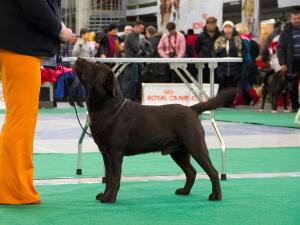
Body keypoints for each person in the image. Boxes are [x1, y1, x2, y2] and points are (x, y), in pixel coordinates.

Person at [0, 0, 76, 204]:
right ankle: (15, 191)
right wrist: (60, 30)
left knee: (17, 118)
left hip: (13, 44)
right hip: (20, 47)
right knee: (21, 120)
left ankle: (10, 187)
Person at [214, 20, 243, 107]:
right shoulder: (219, 40)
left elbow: (241, 54)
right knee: (222, 87)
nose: (227, 29)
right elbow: (215, 53)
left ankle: (231, 103)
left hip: (234, 68)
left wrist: (239, 67)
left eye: (229, 27)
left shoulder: (238, 39)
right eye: (225, 27)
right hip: (222, 68)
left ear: (233, 28)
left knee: (232, 87)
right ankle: (221, 103)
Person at [277, 7, 300, 112]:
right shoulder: (285, 31)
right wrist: (282, 63)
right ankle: (295, 107)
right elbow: (280, 48)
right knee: (292, 86)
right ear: (291, 19)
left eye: (298, 18)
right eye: (294, 18)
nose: (296, 20)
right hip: (292, 62)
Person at [118, 21, 145, 101]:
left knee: (133, 80)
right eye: (141, 28)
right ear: (136, 27)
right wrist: (141, 49)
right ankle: (128, 98)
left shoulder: (136, 36)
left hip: (133, 61)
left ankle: (129, 98)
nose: (142, 30)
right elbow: (137, 49)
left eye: (143, 29)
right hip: (131, 62)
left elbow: (139, 49)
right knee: (132, 80)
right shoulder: (131, 36)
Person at [234, 23, 260, 106]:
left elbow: (241, 51)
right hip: (250, 61)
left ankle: (239, 98)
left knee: (241, 80)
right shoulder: (248, 39)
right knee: (244, 80)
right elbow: (255, 53)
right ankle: (253, 96)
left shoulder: (241, 39)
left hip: (244, 61)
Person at [70, 28, 97, 107]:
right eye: (87, 34)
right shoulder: (79, 43)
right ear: (82, 35)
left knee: (82, 84)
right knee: (76, 83)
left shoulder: (87, 43)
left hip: (86, 66)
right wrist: (79, 47)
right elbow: (74, 54)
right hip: (79, 66)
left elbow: (91, 55)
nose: (89, 36)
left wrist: (93, 50)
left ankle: (80, 101)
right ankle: (71, 98)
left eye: (89, 34)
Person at [195, 17, 221, 83]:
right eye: (210, 24)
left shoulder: (220, 35)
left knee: (216, 83)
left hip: (217, 63)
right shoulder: (200, 36)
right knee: (204, 83)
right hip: (204, 63)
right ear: (206, 24)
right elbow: (197, 49)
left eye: (214, 24)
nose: (212, 25)